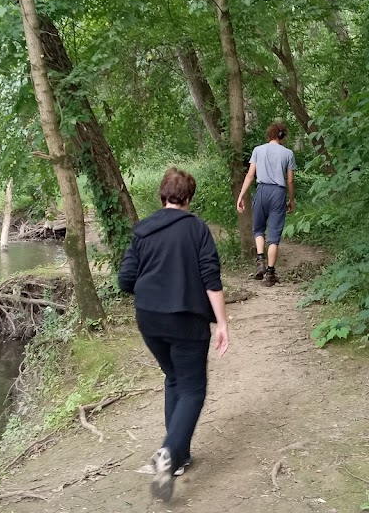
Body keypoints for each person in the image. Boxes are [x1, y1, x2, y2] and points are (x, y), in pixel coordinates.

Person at [118, 166, 230, 503]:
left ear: (162, 195)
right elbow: (211, 278)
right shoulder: (196, 229)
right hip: (187, 322)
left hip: (150, 320)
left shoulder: (142, 230)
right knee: (193, 388)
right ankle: (169, 452)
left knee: (173, 379)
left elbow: (125, 280)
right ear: (189, 198)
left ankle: (178, 458)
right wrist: (223, 323)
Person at [236, 121, 296, 286]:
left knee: (258, 230)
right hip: (278, 192)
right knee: (274, 235)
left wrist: (241, 196)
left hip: (261, 190)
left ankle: (260, 261)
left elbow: (249, 175)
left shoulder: (258, 150)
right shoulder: (288, 153)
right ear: (282, 136)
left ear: (269, 134)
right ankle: (270, 273)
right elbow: (290, 181)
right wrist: (291, 199)